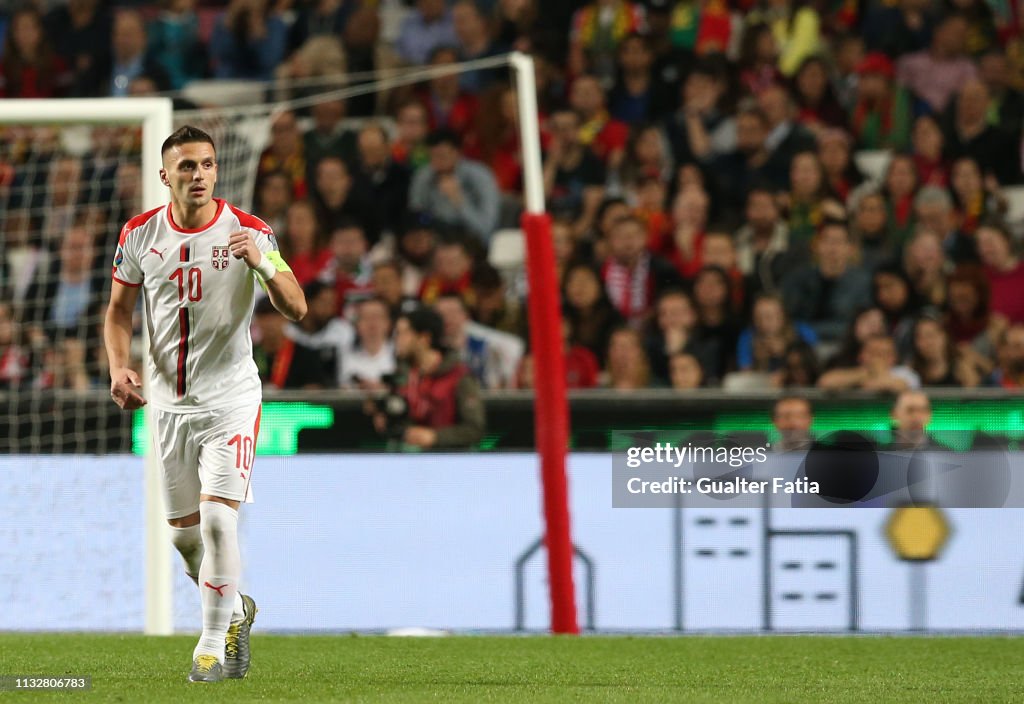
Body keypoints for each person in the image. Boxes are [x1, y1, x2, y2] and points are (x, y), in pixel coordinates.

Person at [104, 126, 307, 683]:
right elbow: (118, 312)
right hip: (168, 407)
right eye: (187, 166)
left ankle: (211, 649)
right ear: (165, 175)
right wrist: (119, 365)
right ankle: (236, 609)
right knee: (184, 538)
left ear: (218, 171)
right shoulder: (140, 235)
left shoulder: (250, 231)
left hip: (230, 401)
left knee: (220, 523)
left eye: (208, 165)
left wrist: (264, 264)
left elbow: (297, 307)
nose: (199, 175)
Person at [374, 306, 486, 448]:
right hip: (408, 460)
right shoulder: (404, 375)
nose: (397, 339)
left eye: (403, 333)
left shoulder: (458, 377)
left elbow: (474, 429)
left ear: (424, 338)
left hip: (450, 460)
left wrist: (436, 437)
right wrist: (387, 418)